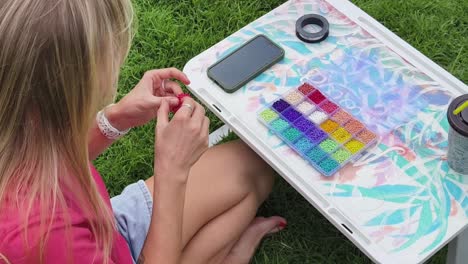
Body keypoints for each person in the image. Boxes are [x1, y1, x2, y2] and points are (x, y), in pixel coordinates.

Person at [0, 1, 286, 263]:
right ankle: (234, 254)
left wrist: (117, 118)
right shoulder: (44, 239)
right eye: (112, 52)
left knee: (253, 167)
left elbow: (48, 158)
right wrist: (171, 173)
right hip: (93, 249)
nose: (119, 62)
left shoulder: (18, 123)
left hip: (107, 230)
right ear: (76, 82)